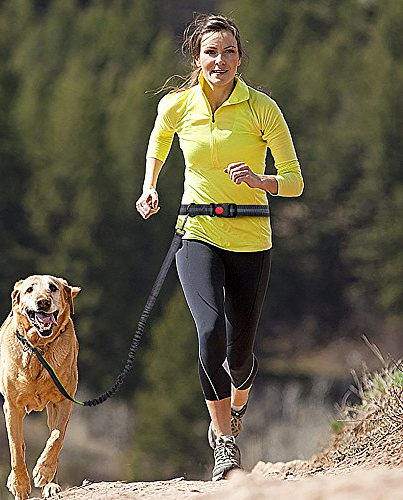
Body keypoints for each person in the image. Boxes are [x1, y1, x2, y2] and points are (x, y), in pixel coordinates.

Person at [136, 13, 303, 481]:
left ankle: (237, 403)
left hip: (251, 237)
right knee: (208, 329)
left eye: (229, 52)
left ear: (239, 58)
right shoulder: (176, 105)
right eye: (211, 52)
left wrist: (260, 180)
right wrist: (150, 187)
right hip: (197, 232)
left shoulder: (262, 109)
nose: (220, 60)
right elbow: (158, 144)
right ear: (196, 58)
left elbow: (294, 181)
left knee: (239, 357)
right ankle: (224, 441)